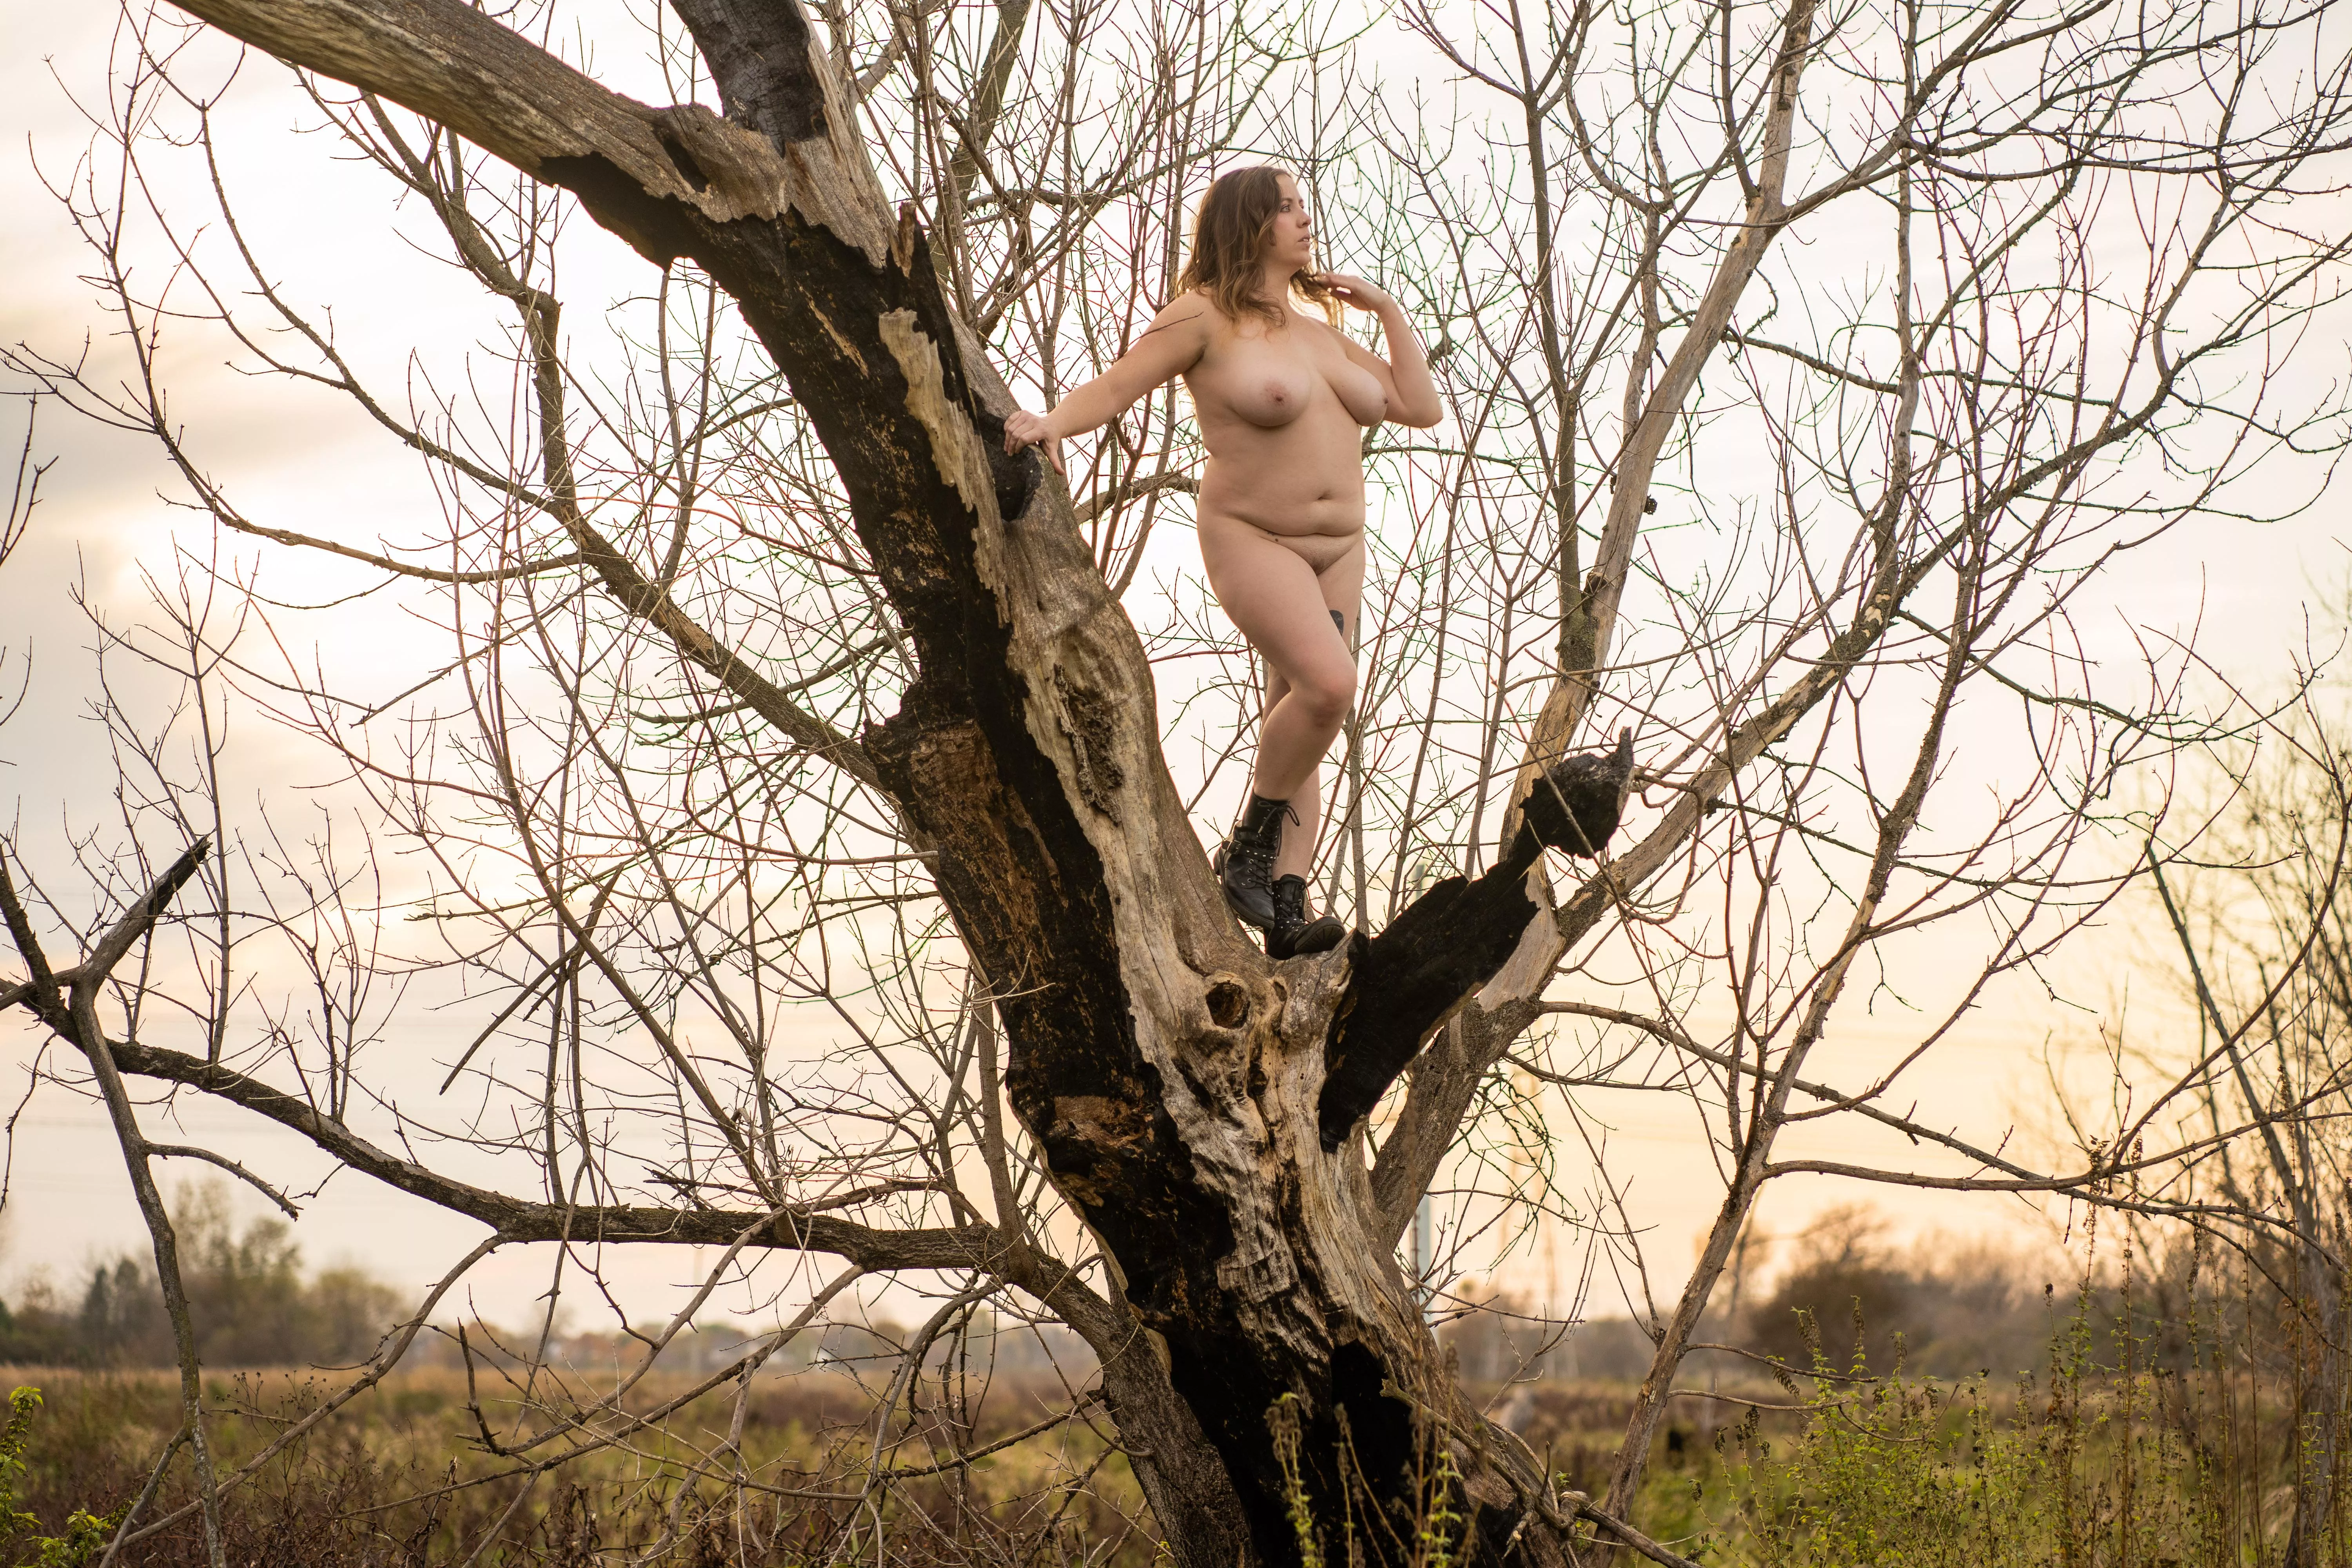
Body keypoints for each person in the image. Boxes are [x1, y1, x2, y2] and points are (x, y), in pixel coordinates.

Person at [1004, 165, 1443, 958]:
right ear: (1248, 224)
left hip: (1340, 547)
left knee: (1310, 712)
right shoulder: (1203, 317)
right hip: (1254, 536)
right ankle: (1246, 847)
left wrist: (1387, 309)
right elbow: (1118, 383)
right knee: (1329, 683)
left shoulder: (1321, 334)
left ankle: (1286, 908)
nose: (1304, 219)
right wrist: (1052, 421)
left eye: (1304, 204)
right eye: (1286, 208)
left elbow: (1420, 406)